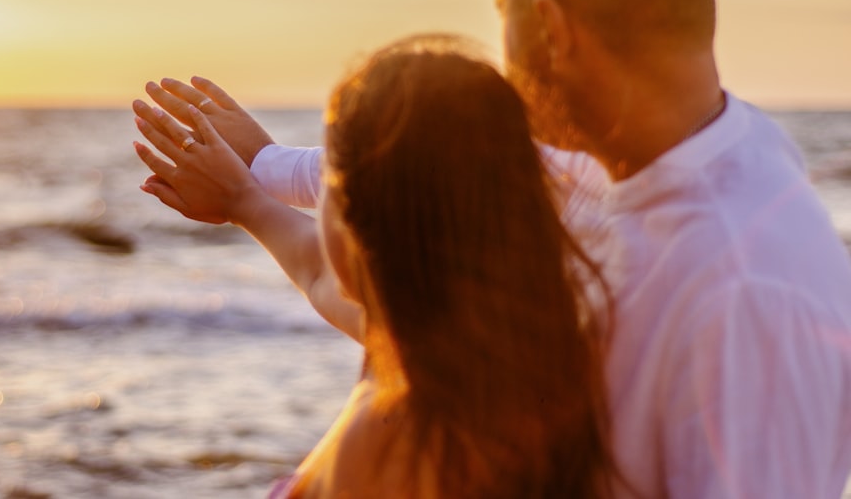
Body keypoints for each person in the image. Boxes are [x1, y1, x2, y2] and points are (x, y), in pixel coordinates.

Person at [135, 0, 851, 498]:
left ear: (550, 30)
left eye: (501, 10)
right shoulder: (669, 161)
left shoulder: (744, 294)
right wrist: (256, 177)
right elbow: (414, 206)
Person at [134, 35, 618, 497]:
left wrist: (248, 196)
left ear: (353, 221)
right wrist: (248, 192)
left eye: (330, 181)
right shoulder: (515, 360)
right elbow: (322, 275)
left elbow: (324, 274)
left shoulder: (384, 443)